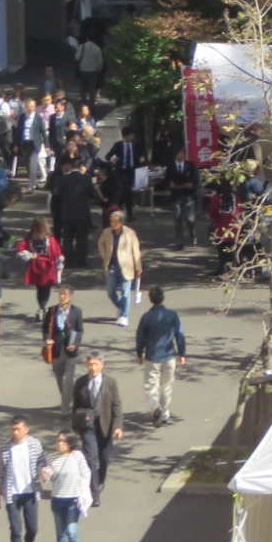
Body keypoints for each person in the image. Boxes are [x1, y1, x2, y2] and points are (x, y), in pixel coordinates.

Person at [69, 353, 123, 503]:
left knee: (104, 458)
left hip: (105, 425)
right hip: (87, 426)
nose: (92, 368)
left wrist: (118, 426)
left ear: (102, 365)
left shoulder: (110, 382)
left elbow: (116, 404)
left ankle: (100, 479)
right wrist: (75, 427)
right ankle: (94, 493)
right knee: (91, 458)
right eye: (90, 364)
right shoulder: (80, 382)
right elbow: (76, 406)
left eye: (95, 364)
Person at [0, 417, 42, 542]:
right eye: (12, 429)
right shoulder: (5, 447)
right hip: (11, 493)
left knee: (32, 527)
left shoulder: (34, 444)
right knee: (15, 529)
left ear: (26, 430)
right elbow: (0, 472)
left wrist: (45, 471)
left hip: (30, 493)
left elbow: (42, 463)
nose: (14, 432)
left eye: (18, 429)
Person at [40, 430, 92, 542]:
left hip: (73, 500)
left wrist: (82, 493)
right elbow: (47, 479)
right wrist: (44, 475)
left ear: (70, 443)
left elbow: (86, 474)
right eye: (58, 441)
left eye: (63, 441)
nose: (60, 444)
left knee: (72, 531)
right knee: (60, 531)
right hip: (57, 499)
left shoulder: (77, 457)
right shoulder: (51, 458)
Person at [135, 286, 186, 424]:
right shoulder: (172, 315)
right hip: (169, 355)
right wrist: (182, 353)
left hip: (152, 357)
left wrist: (139, 353)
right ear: (163, 298)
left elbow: (140, 337)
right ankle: (164, 412)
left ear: (150, 299)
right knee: (167, 385)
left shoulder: (146, 317)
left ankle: (155, 407)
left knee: (151, 385)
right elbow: (179, 334)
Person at [97, 209, 143, 327]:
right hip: (112, 266)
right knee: (110, 292)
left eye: (115, 222)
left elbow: (136, 251)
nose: (113, 224)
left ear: (122, 222)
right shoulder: (107, 232)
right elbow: (100, 243)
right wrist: (104, 256)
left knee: (125, 292)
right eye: (111, 222)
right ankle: (122, 307)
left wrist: (138, 266)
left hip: (127, 267)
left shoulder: (130, 233)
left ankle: (124, 315)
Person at [43, 285, 85, 409]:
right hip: (56, 351)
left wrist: (75, 344)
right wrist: (47, 340)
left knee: (69, 380)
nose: (61, 297)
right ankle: (67, 400)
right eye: (60, 294)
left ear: (71, 296)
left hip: (71, 351)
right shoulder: (52, 311)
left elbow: (80, 330)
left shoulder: (77, 311)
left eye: (64, 294)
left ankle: (66, 409)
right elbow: (45, 329)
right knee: (59, 378)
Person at [16, 217, 63, 315]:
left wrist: (29, 255)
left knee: (39, 288)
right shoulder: (50, 239)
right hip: (47, 267)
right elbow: (57, 254)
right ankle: (42, 308)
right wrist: (59, 270)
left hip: (35, 266)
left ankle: (41, 308)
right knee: (46, 288)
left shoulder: (29, 238)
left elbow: (20, 249)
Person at [162, 147, 201, 250]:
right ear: (175, 154)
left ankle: (193, 235)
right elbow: (167, 181)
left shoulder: (190, 165)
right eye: (179, 153)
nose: (182, 155)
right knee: (177, 219)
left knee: (190, 219)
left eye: (183, 153)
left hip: (188, 195)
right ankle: (180, 241)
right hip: (176, 196)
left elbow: (195, 180)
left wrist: (190, 185)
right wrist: (172, 184)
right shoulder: (170, 166)